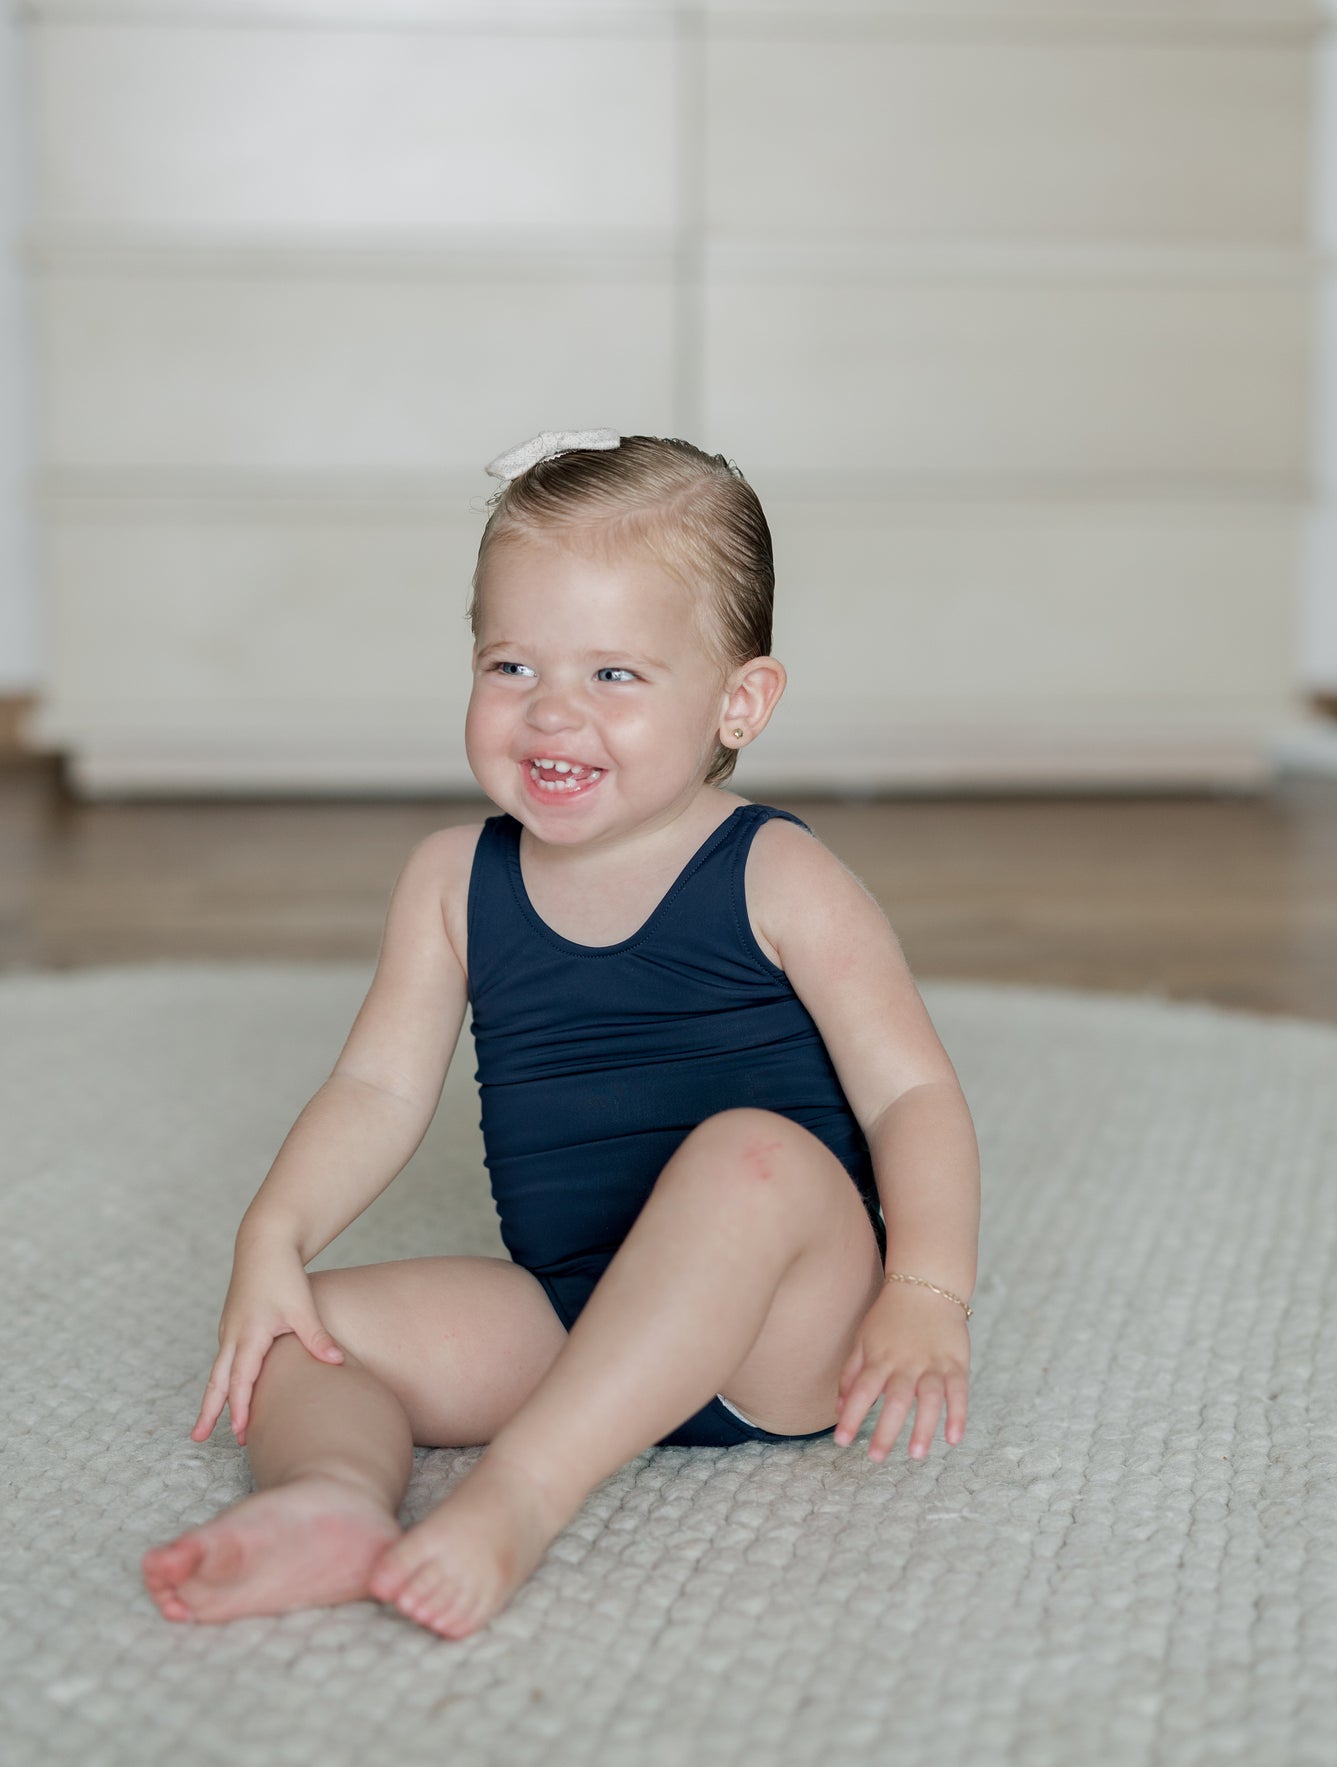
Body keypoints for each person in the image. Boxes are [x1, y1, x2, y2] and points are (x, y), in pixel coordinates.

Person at [141, 429, 981, 1641]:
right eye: (511, 665)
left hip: (779, 1341)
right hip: (571, 1313)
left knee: (752, 1156)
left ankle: (521, 1494)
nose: (550, 714)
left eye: (614, 677)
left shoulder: (778, 872)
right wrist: (271, 1233)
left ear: (737, 701)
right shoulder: (450, 880)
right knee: (302, 1332)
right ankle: (328, 1504)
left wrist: (924, 1290)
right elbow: (378, 1085)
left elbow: (910, 1094)